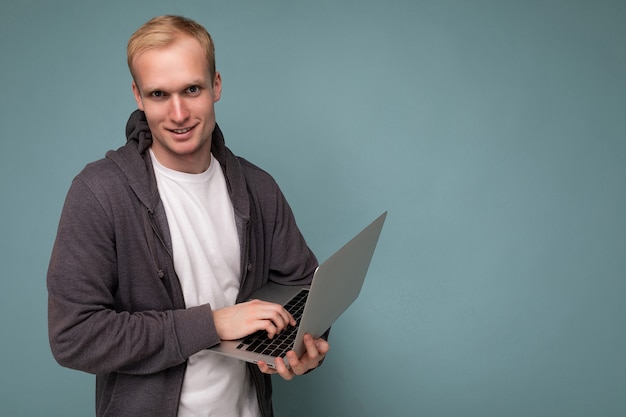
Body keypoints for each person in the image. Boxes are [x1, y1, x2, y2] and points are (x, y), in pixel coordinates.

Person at [47, 15, 329, 417]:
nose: (178, 113)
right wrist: (212, 325)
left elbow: (303, 285)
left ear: (216, 85)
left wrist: (302, 343)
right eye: (159, 94)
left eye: (191, 89)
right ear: (138, 96)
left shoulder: (258, 187)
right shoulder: (99, 193)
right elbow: (73, 336)